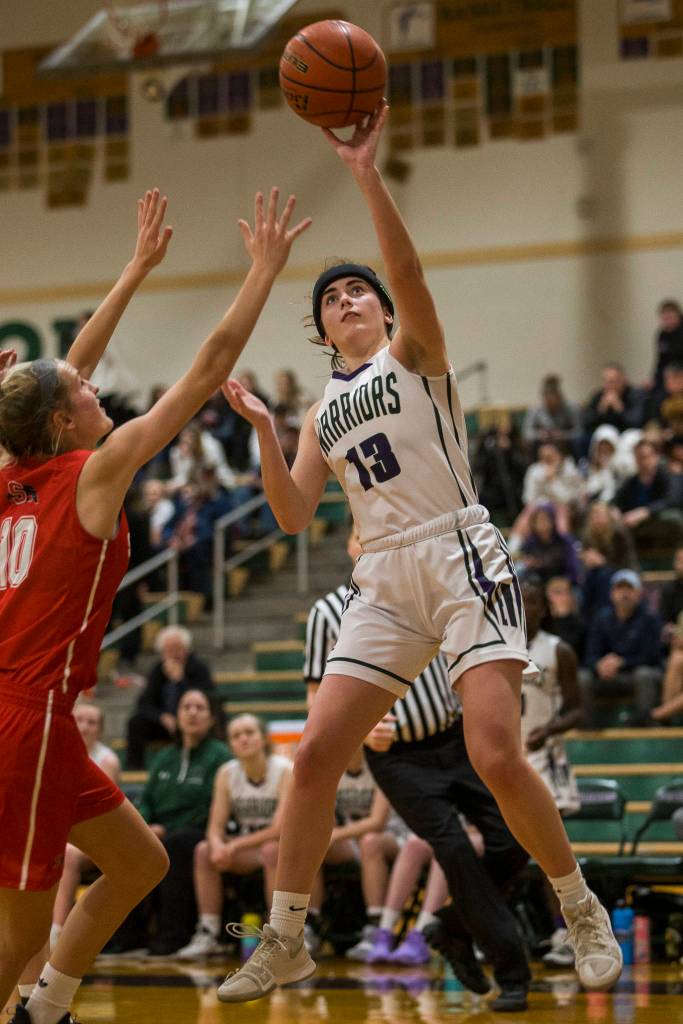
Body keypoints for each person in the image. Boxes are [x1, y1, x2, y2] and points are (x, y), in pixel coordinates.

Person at [216, 103, 622, 1004]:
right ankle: (283, 937)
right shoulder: (321, 410)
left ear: (387, 312)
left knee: (493, 752)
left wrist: (363, 171)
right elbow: (288, 515)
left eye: (358, 290)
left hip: (458, 550)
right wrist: (261, 432)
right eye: (331, 297)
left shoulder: (416, 359)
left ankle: (576, 904)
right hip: (383, 574)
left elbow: (403, 267)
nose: (346, 298)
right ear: (322, 331)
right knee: (319, 750)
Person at [0, 184, 310, 1024]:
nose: (101, 392)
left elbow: (68, 373)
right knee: (18, 932)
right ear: (65, 423)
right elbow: (209, 367)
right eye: (86, 394)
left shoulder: (15, 471)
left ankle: (50, 1009)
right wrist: (262, 274)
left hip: (39, 715)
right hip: (25, 717)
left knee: (139, 864)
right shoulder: (92, 472)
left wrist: (135, 269)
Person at [303, 531, 531, 1008]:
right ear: (350, 546)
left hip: (452, 737)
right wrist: (363, 733)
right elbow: (315, 700)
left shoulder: (432, 581)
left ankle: (449, 927)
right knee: (450, 845)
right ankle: (512, 971)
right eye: (361, 533)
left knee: (512, 841)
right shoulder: (327, 614)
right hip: (398, 757)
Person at [111, 688, 229, 955]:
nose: (192, 712)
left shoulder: (220, 755)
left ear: (211, 719)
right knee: (128, 847)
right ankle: (127, 937)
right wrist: (147, 825)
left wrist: (169, 829)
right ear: (177, 716)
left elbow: (214, 805)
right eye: (186, 707)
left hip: (198, 831)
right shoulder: (165, 757)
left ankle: (172, 935)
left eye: (199, 707)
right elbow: (148, 800)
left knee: (175, 844)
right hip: (160, 831)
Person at [177, 714, 292, 960]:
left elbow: (279, 830)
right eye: (236, 736)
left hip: (278, 849)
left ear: (263, 738)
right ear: (230, 744)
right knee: (204, 851)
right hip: (248, 850)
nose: (243, 739)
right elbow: (215, 826)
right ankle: (208, 931)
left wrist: (234, 844)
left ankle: (280, 933)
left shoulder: (284, 770)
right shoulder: (226, 773)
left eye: (249, 733)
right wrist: (218, 845)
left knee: (273, 848)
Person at [521, 579, 583, 970]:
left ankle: (565, 932)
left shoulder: (558, 650)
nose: (525, 609)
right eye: (519, 601)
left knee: (550, 853)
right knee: (500, 851)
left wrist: (551, 730)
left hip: (548, 762)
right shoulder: (495, 647)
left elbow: (579, 710)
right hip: (507, 761)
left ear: (544, 609)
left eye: (531, 602)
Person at [50, 703, 121, 951]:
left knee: (67, 855)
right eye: (80, 719)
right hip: (59, 832)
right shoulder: (54, 753)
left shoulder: (107, 760)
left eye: (92, 722)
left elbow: (102, 813)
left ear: (100, 729)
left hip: (97, 836)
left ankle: (56, 932)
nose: (85, 726)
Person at [580, 569, 663, 727]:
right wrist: (599, 665)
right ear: (612, 593)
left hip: (634, 675)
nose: (624, 594)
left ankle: (645, 723)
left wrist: (622, 662)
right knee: (583, 676)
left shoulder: (650, 618)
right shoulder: (601, 618)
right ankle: (586, 728)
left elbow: (652, 656)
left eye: (629, 589)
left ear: (639, 593)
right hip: (606, 676)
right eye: (620, 589)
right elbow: (589, 655)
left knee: (644, 675)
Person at [125, 625, 214, 770]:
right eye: (168, 649)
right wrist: (162, 717)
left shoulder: (198, 667)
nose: (172, 653)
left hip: (190, 720)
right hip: (165, 724)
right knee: (136, 722)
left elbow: (204, 698)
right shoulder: (158, 669)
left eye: (177, 648)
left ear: (186, 649)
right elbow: (144, 703)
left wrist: (180, 681)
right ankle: (134, 770)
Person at [582, 363, 644, 438]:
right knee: (604, 433)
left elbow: (637, 422)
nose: (609, 385)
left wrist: (620, 409)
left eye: (613, 381)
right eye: (606, 381)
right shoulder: (598, 396)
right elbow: (585, 423)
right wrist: (600, 410)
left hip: (626, 434)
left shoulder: (634, 395)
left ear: (622, 380)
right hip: (603, 436)